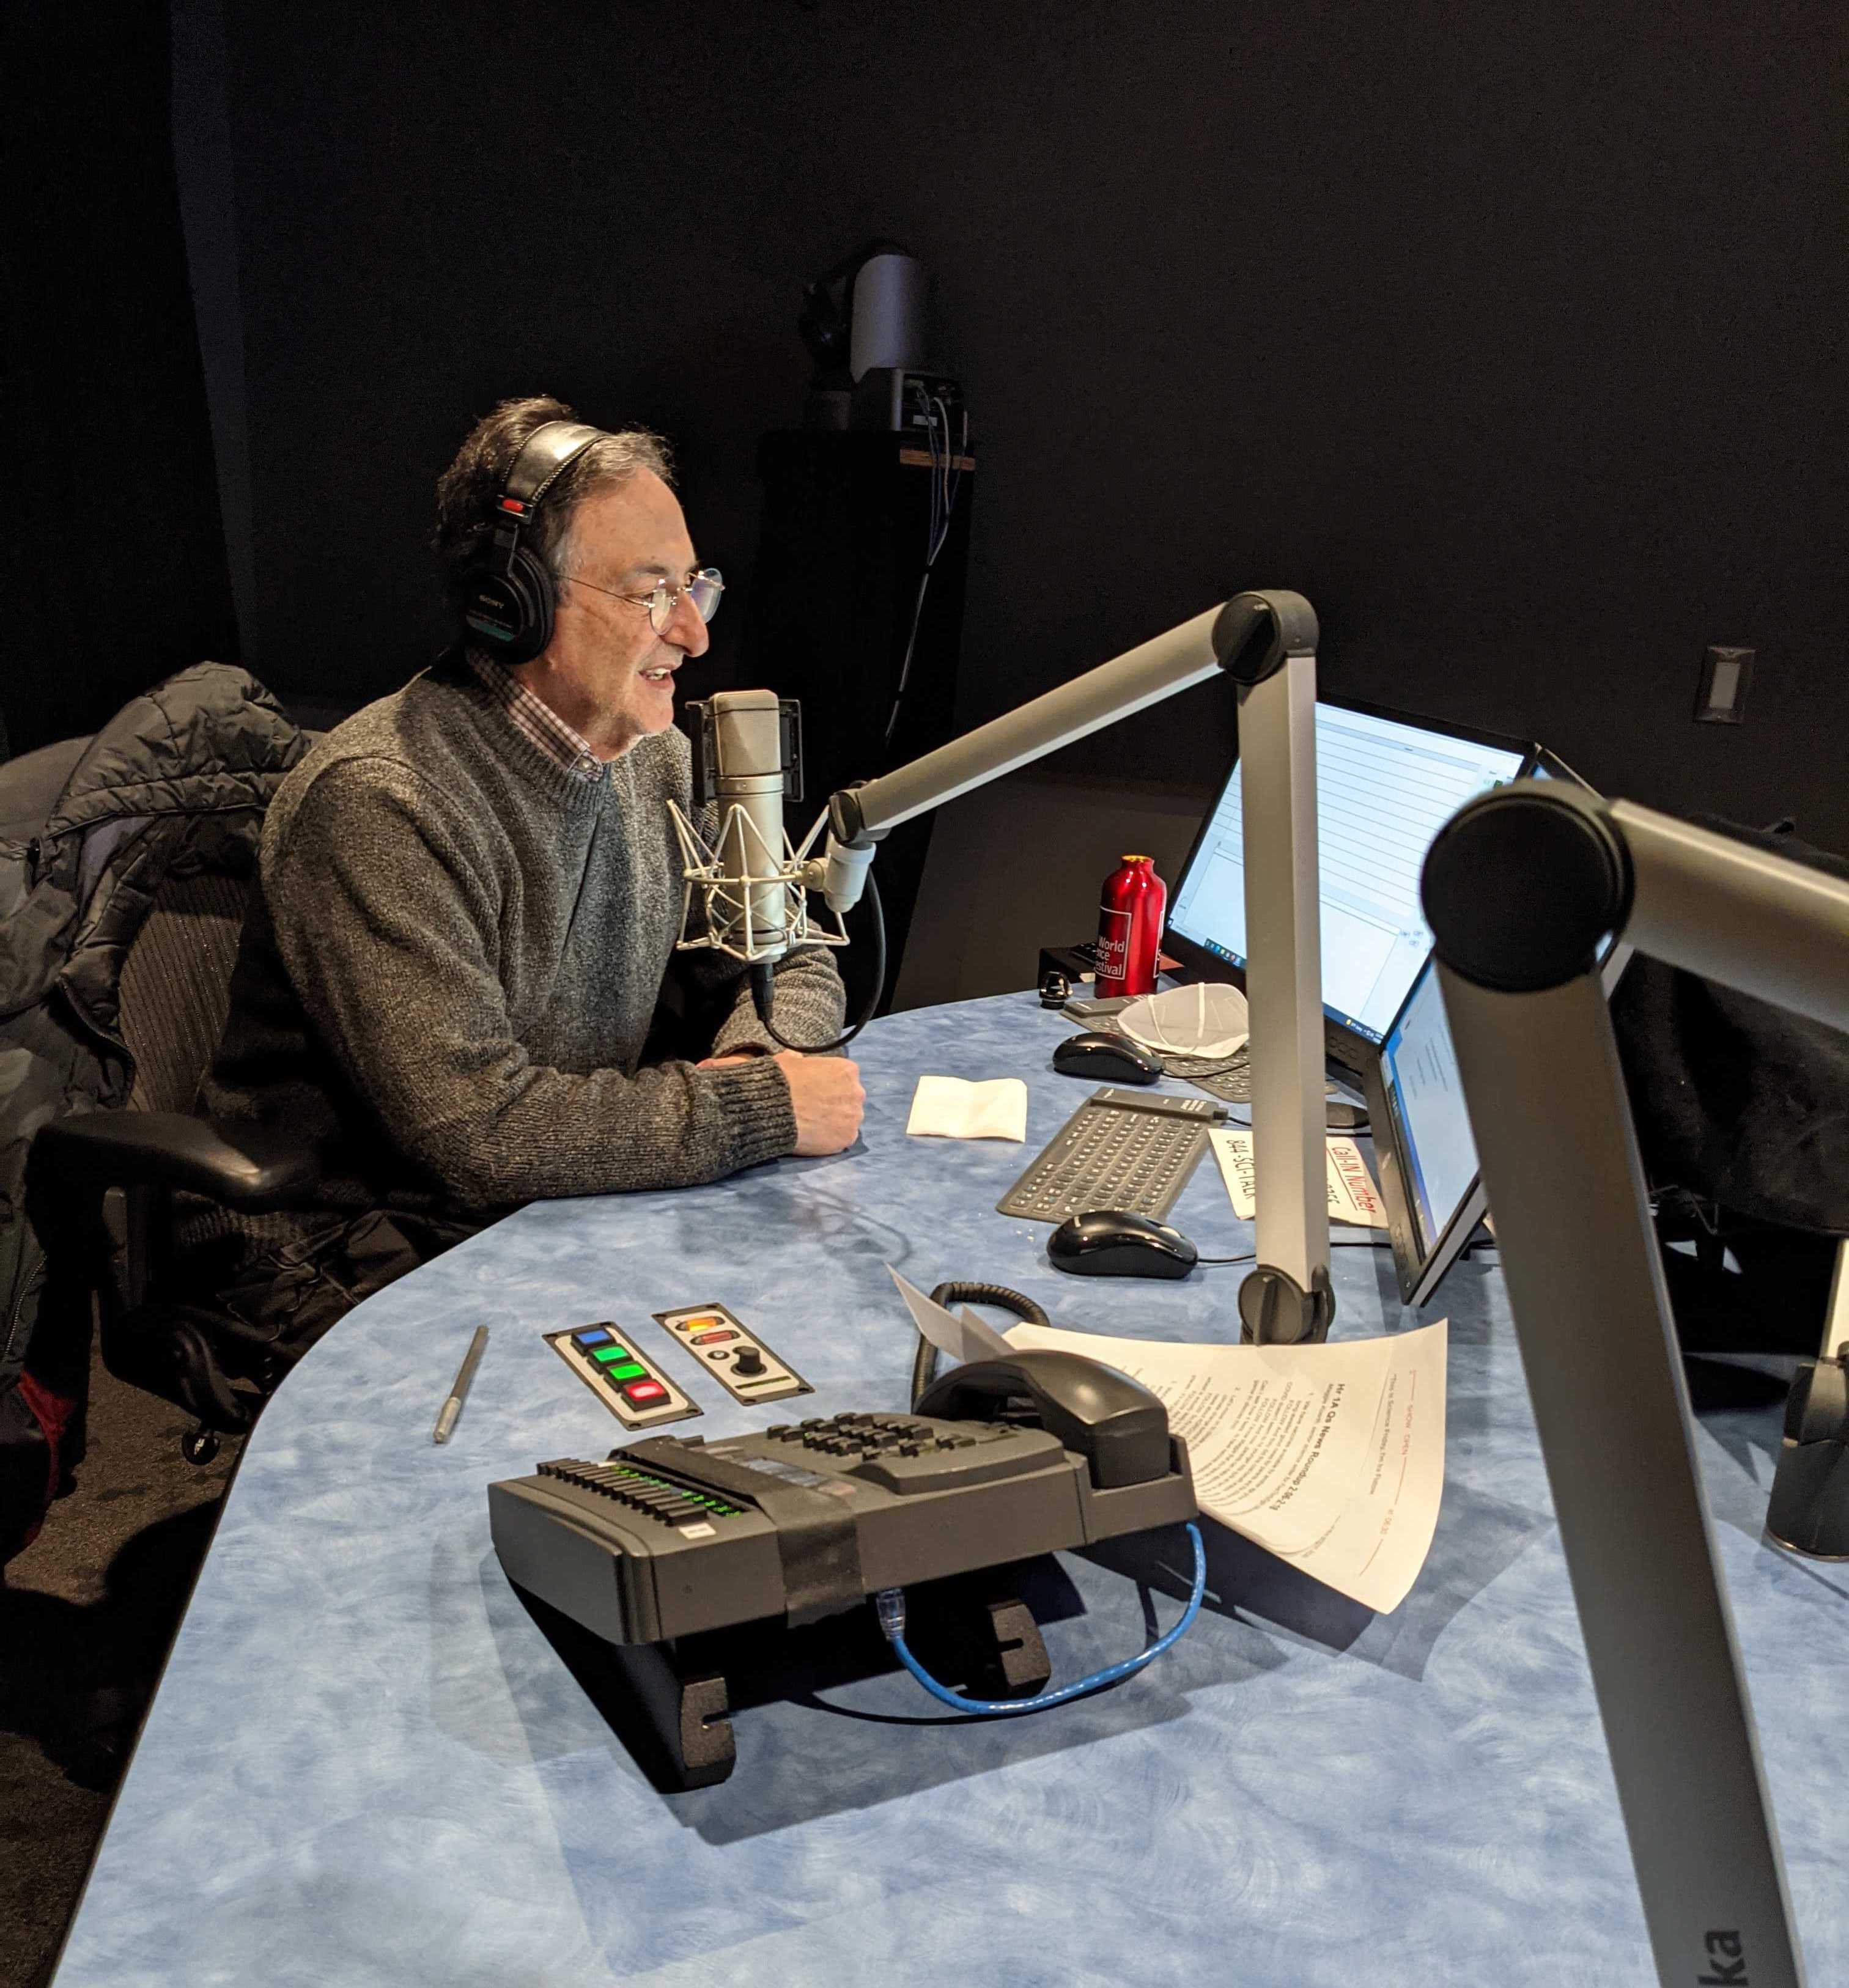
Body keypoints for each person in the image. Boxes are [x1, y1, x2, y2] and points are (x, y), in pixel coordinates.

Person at [183, 395, 862, 1360]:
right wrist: (759, 1111)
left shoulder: (656, 760)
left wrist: (761, 1062)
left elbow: (781, 950)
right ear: (516, 603)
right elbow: (477, 1128)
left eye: (695, 586)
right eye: (649, 592)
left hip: (545, 1208)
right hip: (358, 1247)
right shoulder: (383, 802)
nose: (695, 634)